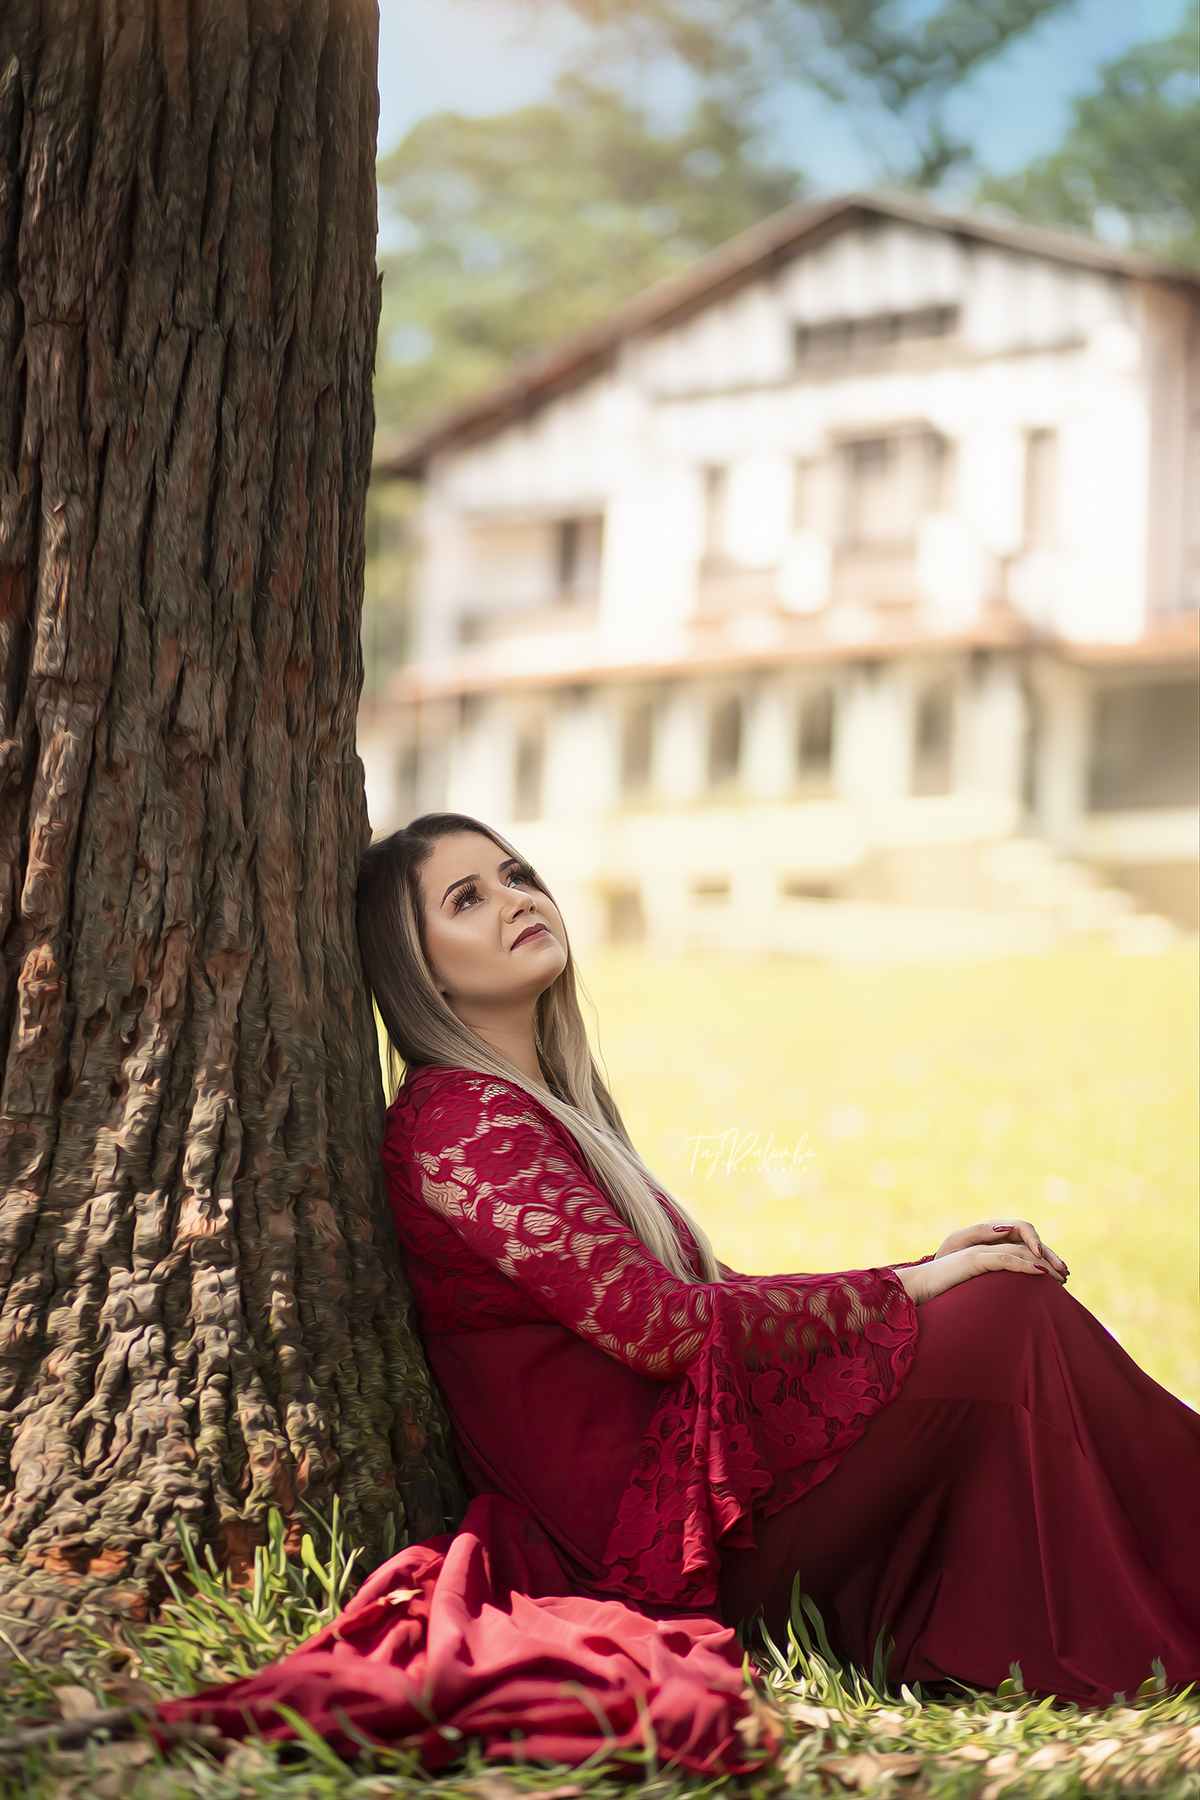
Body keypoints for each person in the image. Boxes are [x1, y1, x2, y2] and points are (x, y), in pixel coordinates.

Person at [159, 810, 1200, 1765]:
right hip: (655, 1532)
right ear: (415, 968)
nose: (520, 898)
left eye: (518, 874)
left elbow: (707, 1297)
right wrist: (919, 1285)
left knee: (1002, 1304)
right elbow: (662, 1330)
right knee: (1005, 1313)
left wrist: (920, 1275)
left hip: (698, 1475)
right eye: (467, 898)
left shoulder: (537, 1110)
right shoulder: (457, 1121)